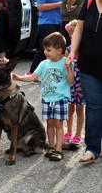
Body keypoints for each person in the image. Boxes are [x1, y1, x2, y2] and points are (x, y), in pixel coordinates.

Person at [13, 32, 74, 161]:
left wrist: (69, 69)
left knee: (58, 124)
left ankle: (58, 149)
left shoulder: (65, 63)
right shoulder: (43, 64)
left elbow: (71, 81)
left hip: (60, 99)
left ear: (59, 51)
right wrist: (19, 78)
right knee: (50, 123)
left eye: (48, 50)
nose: (45, 52)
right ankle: (51, 147)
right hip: (47, 99)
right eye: (44, 49)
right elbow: (32, 77)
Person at [67, 0, 102, 162]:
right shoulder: (88, 2)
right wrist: (72, 52)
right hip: (88, 66)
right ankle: (92, 148)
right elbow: (79, 28)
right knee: (94, 107)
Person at [25, 0, 65, 83]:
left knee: (56, 50)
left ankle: (52, 74)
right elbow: (40, 6)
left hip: (58, 22)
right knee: (45, 49)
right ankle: (32, 73)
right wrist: (59, 4)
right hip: (46, 22)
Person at [63, 19, 86, 144]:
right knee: (70, 109)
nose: (72, 36)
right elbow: (64, 67)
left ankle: (78, 134)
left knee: (80, 109)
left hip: (82, 83)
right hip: (70, 83)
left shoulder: (85, 50)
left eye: (75, 33)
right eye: (70, 34)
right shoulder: (68, 49)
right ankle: (69, 131)